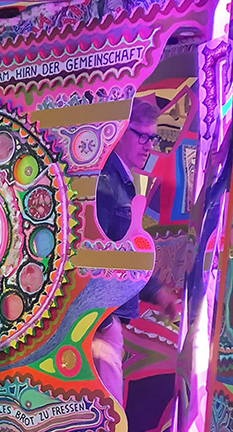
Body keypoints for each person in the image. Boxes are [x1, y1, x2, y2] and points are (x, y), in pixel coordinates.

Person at [93, 98, 177, 405]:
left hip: (106, 317)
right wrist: (103, 322)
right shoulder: (106, 183)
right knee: (108, 414)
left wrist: (157, 293)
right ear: (119, 131)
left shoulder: (121, 181)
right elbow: (100, 253)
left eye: (152, 138)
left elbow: (125, 254)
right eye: (142, 136)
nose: (148, 146)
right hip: (102, 319)